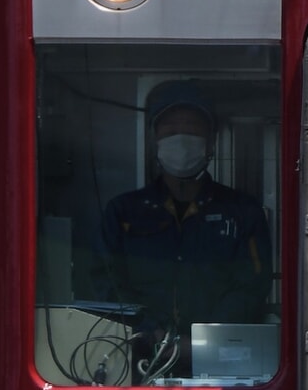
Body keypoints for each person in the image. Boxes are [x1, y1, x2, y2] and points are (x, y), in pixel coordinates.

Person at [98, 80, 272, 370]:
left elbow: (253, 285)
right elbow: (105, 280)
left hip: (222, 359)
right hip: (135, 357)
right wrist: (146, 329)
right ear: (155, 139)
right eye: (171, 128)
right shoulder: (123, 212)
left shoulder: (243, 212)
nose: (181, 137)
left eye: (192, 127)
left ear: (211, 142)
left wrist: (203, 339)